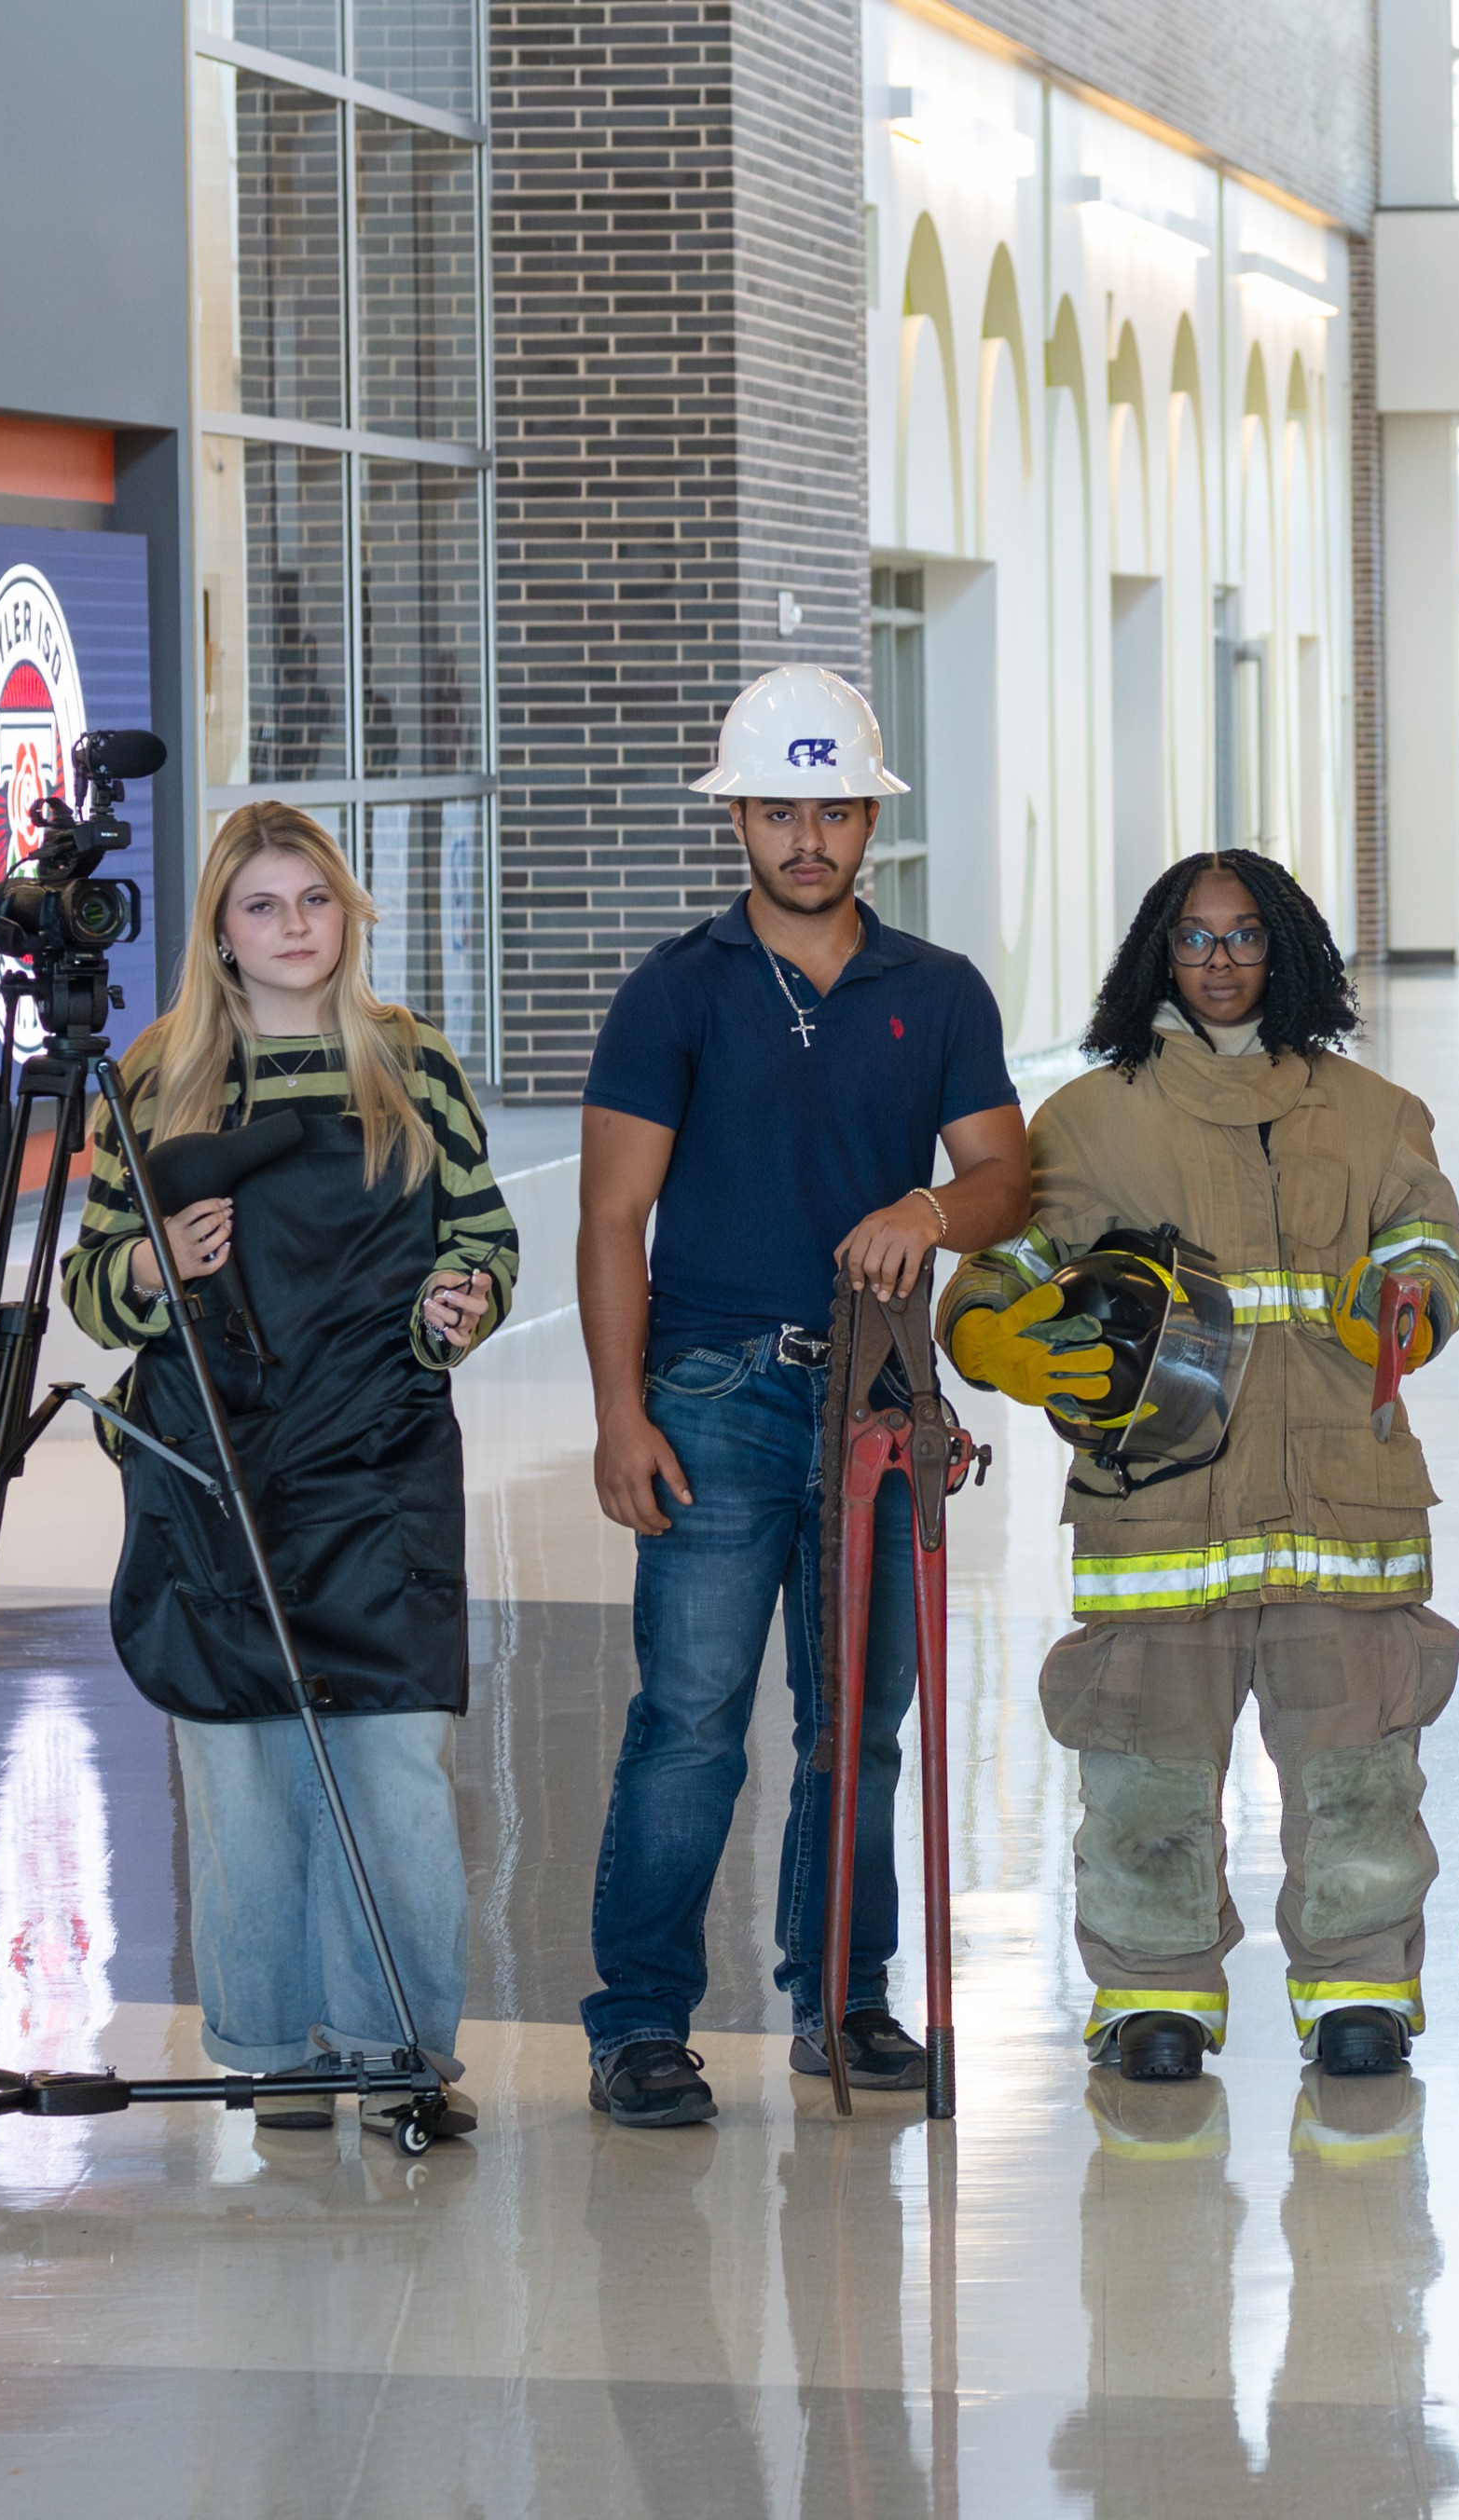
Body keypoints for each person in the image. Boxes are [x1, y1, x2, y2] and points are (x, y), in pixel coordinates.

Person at [573, 665, 1029, 2130]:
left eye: (834, 807)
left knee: (861, 1722)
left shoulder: (939, 989)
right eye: (782, 808)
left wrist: (932, 1211)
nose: (809, 835)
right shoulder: (676, 990)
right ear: (740, 819)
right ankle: (640, 2023)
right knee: (692, 1716)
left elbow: (1006, 1176)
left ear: (869, 817)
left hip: (882, 1401)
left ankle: (844, 1999)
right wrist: (620, 1415)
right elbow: (608, 1218)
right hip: (709, 1395)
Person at [946, 850, 1459, 2082]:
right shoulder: (1088, 1119)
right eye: (1195, 940)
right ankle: (1150, 1999)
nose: (1222, 962)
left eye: (1245, 938)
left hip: (1341, 1506)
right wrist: (994, 1341)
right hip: (1159, 1514)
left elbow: (1429, 1251)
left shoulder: (1375, 1112)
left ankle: (1360, 1991)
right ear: (1157, 958)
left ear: (1286, 952)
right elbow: (997, 1272)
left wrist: (1407, 1305)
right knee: (1144, 1773)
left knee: (1358, 1775)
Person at [62, 801, 515, 2143]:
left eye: (313, 901)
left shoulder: (409, 1063)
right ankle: (273, 2055)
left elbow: (482, 1233)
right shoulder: (156, 1078)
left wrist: (458, 1300)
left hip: (378, 1470)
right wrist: (150, 1268)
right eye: (263, 907)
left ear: (347, 912)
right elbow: (89, 1285)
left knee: (392, 1771)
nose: (294, 929)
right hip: (216, 1475)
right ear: (219, 928)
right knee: (245, 1783)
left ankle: (393, 2052)